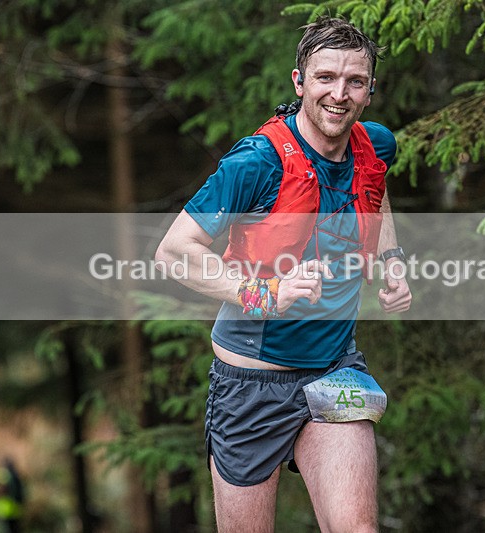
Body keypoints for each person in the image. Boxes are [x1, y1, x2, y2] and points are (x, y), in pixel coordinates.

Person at [155, 16, 411, 533]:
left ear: (369, 91)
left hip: (334, 367)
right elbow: (174, 252)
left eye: (354, 81)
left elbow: (376, 194)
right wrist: (265, 292)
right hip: (250, 382)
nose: (339, 94)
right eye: (325, 78)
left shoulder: (375, 145)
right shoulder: (257, 162)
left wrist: (390, 262)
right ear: (299, 83)